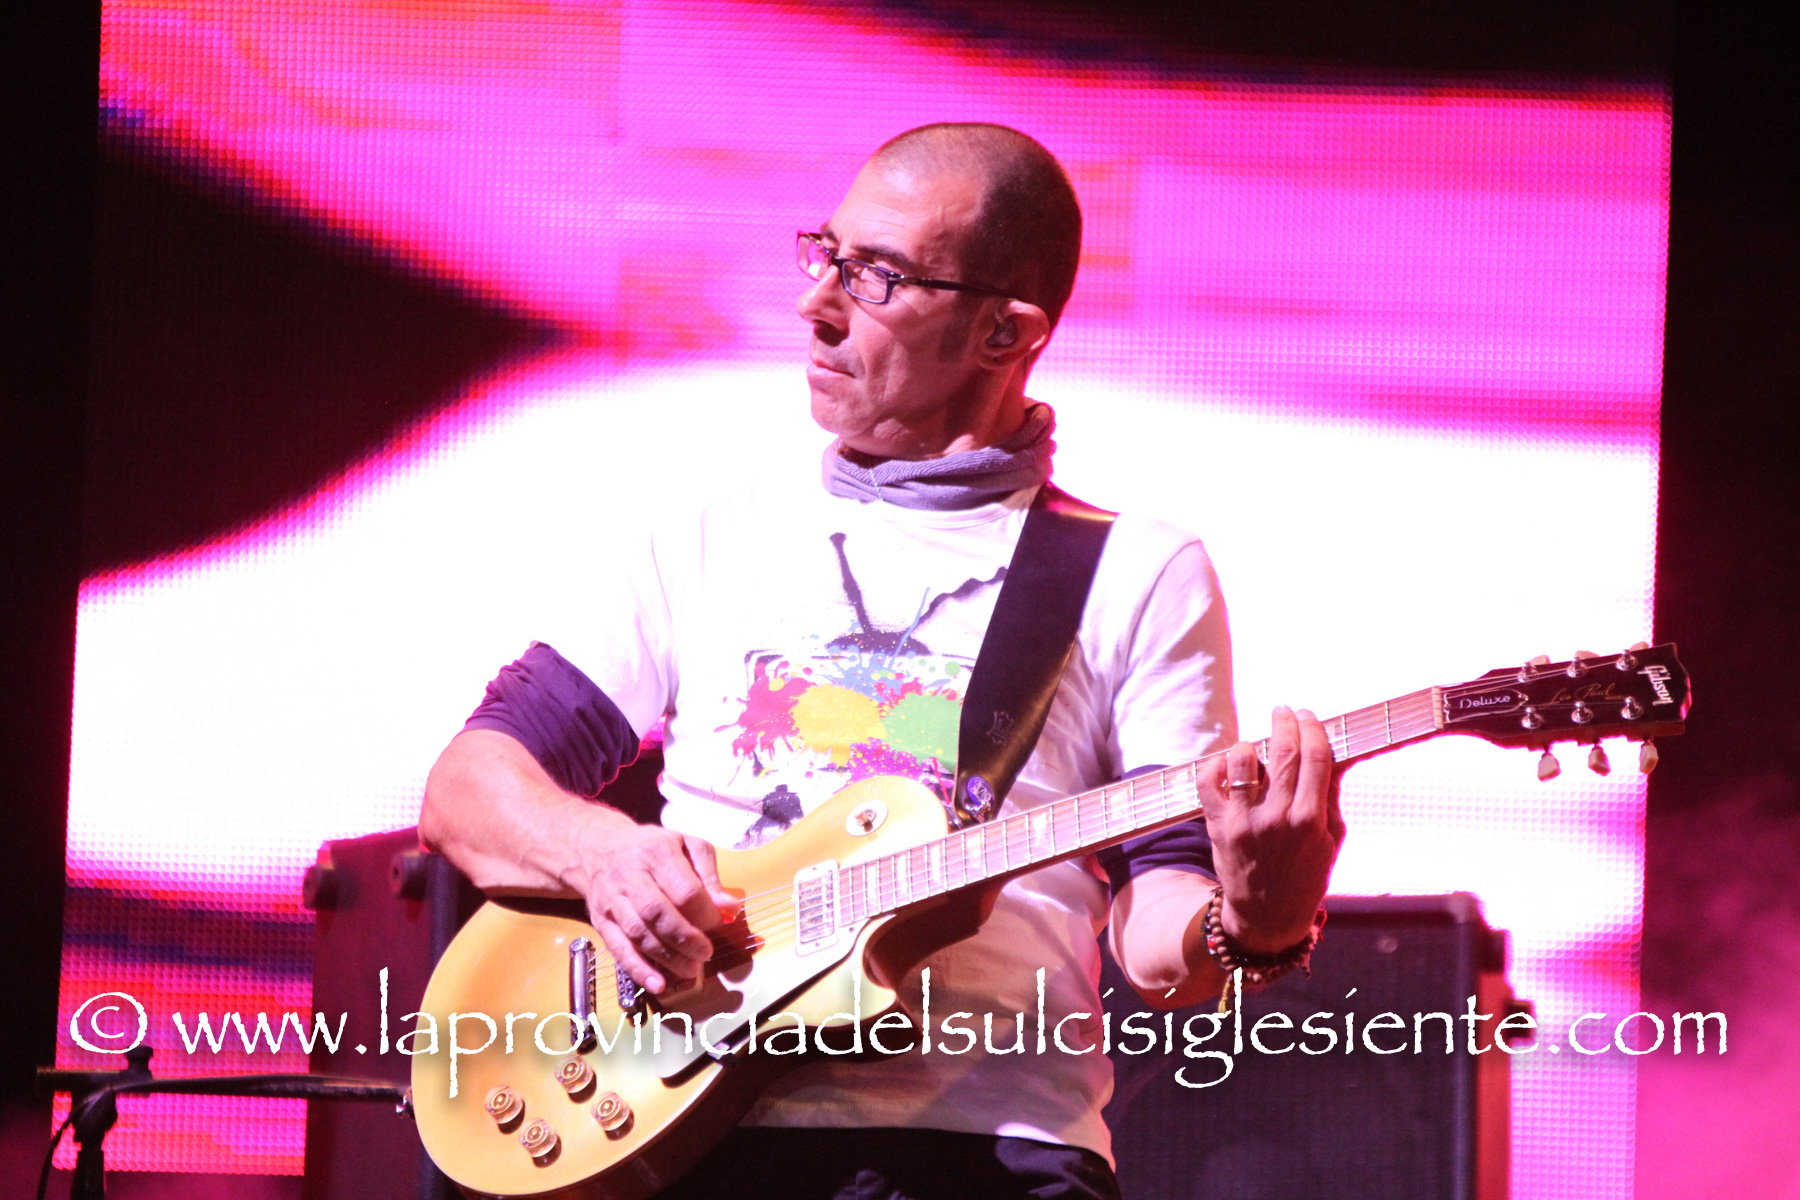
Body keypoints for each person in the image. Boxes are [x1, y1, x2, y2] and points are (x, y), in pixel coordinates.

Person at [419, 123, 1344, 1200]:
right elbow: (465, 789)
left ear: (1004, 332)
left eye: (878, 277)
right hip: (686, 1123)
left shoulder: (1134, 570)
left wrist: (1259, 924)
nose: (816, 304)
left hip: (986, 1152)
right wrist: (603, 855)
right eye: (828, 255)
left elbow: (1159, 952)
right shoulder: (713, 530)